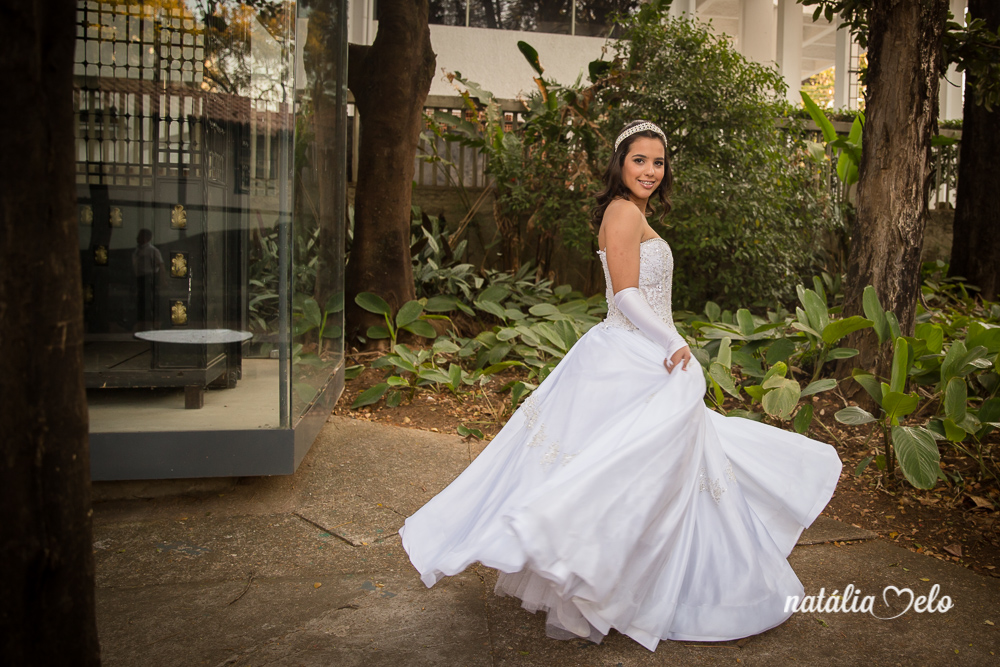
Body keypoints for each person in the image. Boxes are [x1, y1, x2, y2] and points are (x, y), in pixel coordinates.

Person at [399, 120, 842, 651]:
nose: (650, 171)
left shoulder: (632, 211)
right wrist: (672, 343)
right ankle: (600, 573)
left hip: (640, 348)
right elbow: (627, 295)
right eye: (640, 161)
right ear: (620, 164)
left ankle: (630, 578)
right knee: (626, 470)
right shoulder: (623, 211)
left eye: (658, 162)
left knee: (653, 468)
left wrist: (669, 341)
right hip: (630, 349)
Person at [133, 228, 164, 331]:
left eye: (140, 236)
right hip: (139, 278)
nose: (137, 238)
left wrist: (162, 280)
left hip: (149, 278)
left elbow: (160, 265)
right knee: (141, 302)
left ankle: (154, 325)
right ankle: (142, 325)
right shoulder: (137, 250)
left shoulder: (152, 250)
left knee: (150, 302)